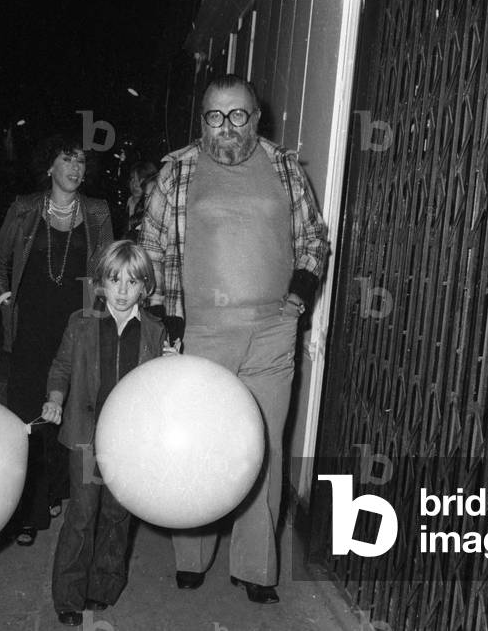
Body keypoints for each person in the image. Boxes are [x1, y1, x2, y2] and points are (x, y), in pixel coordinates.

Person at [139, 73, 330, 604]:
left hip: (272, 335)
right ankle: (192, 555)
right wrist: (164, 322)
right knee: (200, 447)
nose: (226, 126)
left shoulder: (284, 167)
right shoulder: (177, 172)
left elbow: (314, 237)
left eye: (238, 114)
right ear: (201, 120)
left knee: (264, 447)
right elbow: (151, 248)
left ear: (256, 117)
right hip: (199, 334)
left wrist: (297, 299)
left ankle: (255, 568)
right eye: (214, 116)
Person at [0, 135, 114, 547]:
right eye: (67, 160)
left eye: (80, 162)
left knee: (69, 406)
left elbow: (108, 267)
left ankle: (57, 489)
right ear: (49, 167)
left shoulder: (97, 211)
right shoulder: (25, 207)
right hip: (30, 326)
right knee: (27, 410)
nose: (76, 169)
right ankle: (27, 509)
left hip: (75, 324)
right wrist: (5, 298)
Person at [41, 240, 171, 626]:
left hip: (128, 441)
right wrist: (55, 400)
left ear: (145, 287)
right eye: (115, 280)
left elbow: (159, 385)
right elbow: (60, 368)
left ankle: (103, 588)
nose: (122, 290)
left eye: (132, 282)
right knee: (82, 514)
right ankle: (68, 597)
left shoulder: (154, 330)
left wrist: (172, 366)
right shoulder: (81, 322)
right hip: (85, 433)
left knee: (116, 516)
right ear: (100, 282)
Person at [124, 160, 158, 241]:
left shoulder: (154, 209)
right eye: (132, 179)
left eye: (140, 179)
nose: (135, 184)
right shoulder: (123, 205)